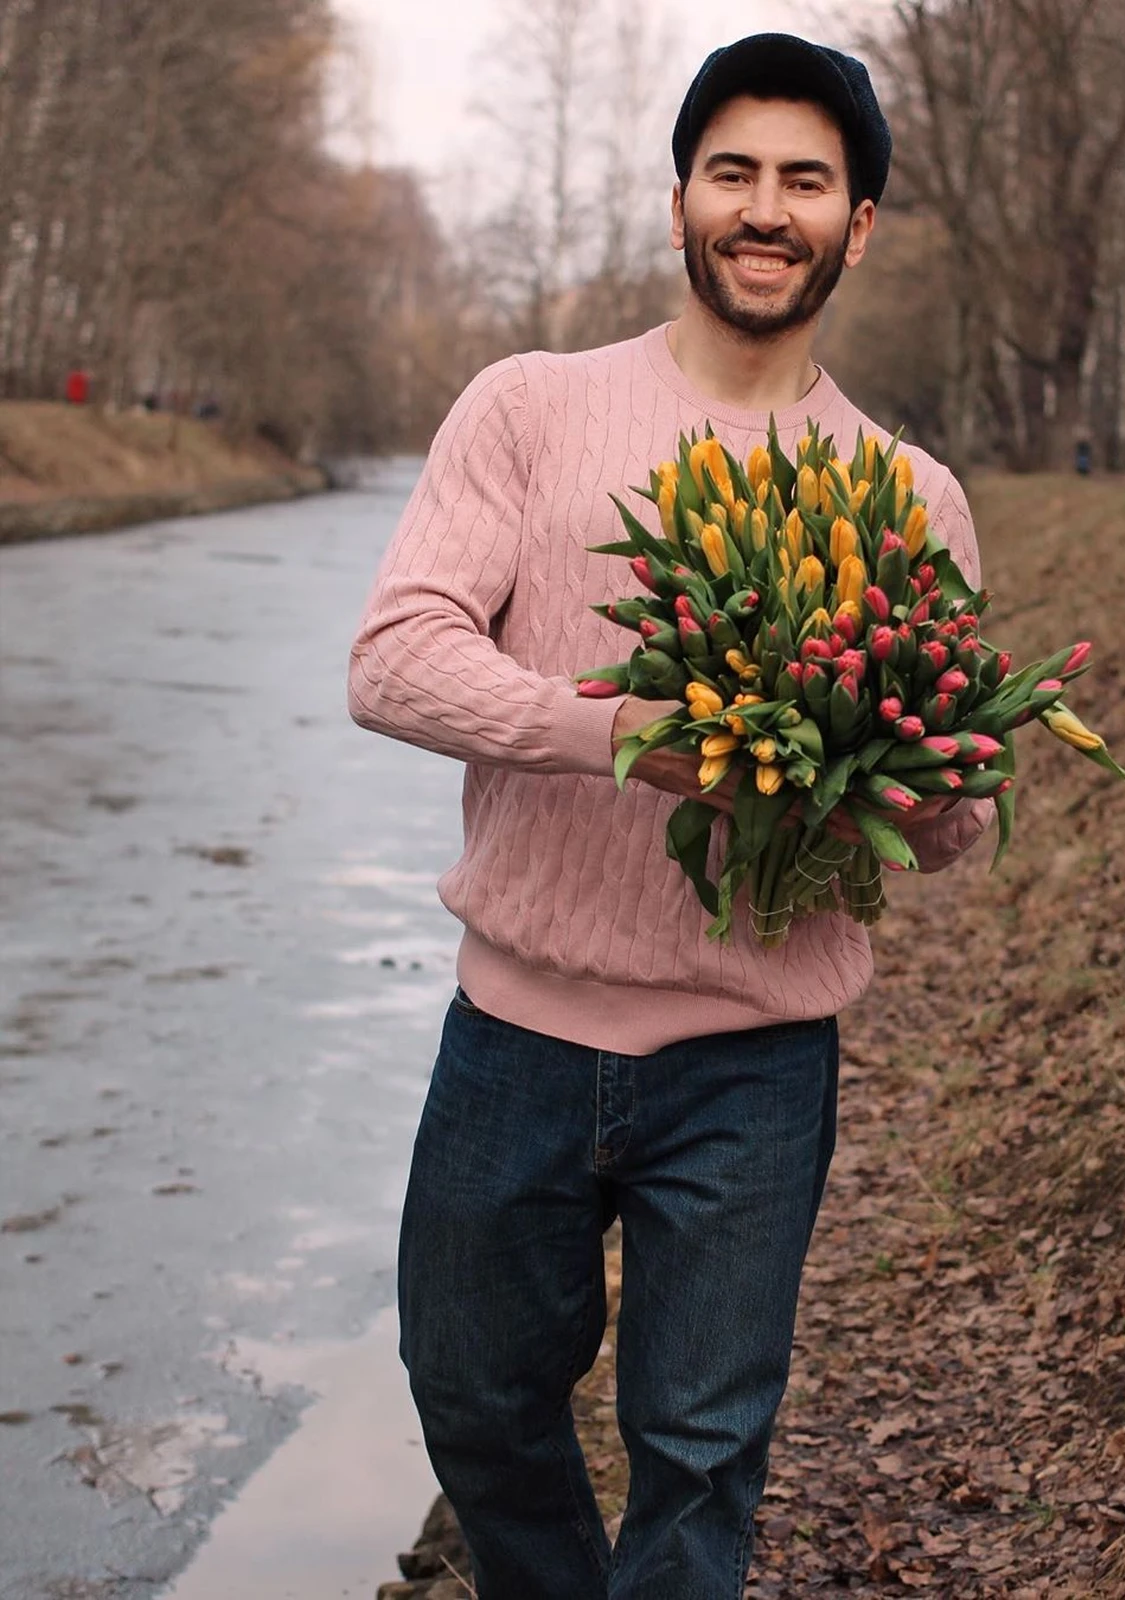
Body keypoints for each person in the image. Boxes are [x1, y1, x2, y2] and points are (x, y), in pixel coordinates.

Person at [349, 34, 992, 1600]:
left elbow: (960, 827)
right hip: (515, 1038)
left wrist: (882, 780)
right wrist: (616, 730)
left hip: (754, 1061)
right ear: (683, 200)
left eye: (805, 182)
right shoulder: (529, 407)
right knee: (480, 1403)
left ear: (859, 226)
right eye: (735, 173)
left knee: (703, 1454)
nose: (765, 210)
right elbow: (395, 662)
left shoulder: (908, 497)